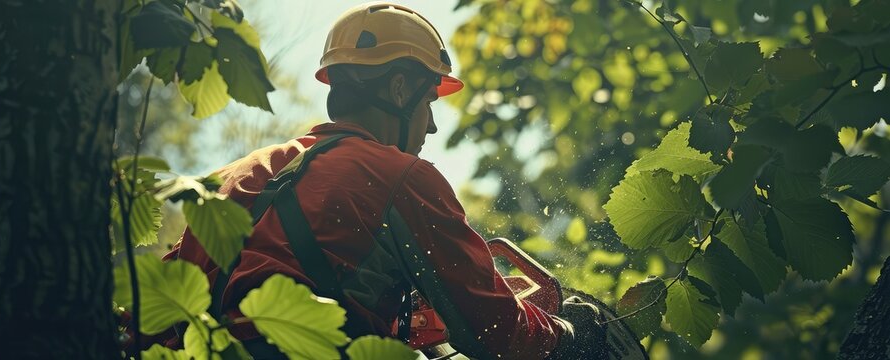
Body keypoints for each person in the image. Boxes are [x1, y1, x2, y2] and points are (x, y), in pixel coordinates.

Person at [166, 2, 606, 359]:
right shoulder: (403, 177)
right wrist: (568, 335)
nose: (431, 127)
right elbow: (494, 333)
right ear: (399, 89)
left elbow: (155, 309)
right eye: (429, 102)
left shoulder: (232, 176)